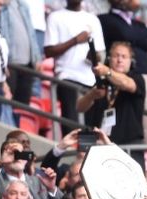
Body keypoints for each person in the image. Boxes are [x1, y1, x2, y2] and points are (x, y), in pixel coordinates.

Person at [98, 0, 147, 144]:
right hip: (118, 77)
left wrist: (132, 36)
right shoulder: (105, 19)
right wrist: (139, 36)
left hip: (143, 78)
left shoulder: (138, 24)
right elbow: (124, 34)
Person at [44, 0, 104, 133]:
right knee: (72, 129)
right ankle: (71, 153)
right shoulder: (55, 17)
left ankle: (84, 154)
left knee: (90, 132)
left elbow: (100, 54)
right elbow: (49, 51)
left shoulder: (93, 19)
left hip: (90, 81)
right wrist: (75, 40)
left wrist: (93, 56)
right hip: (67, 78)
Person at [76, 41, 145, 152]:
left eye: (124, 56)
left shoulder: (137, 78)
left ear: (131, 61)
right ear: (109, 59)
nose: (119, 60)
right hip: (99, 144)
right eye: (116, 56)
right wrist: (91, 95)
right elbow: (79, 107)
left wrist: (107, 71)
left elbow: (128, 84)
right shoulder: (102, 81)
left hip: (128, 146)